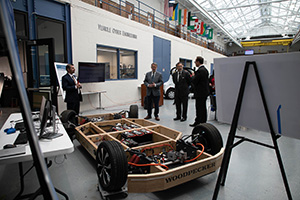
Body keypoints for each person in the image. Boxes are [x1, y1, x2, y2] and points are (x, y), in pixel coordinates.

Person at [190, 56, 209, 127]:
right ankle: (203, 121)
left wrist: (192, 76)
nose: (195, 63)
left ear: (198, 62)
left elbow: (194, 81)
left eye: (195, 62)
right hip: (204, 92)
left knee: (199, 108)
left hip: (200, 93)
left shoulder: (200, 71)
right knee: (203, 108)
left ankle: (198, 122)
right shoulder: (205, 70)